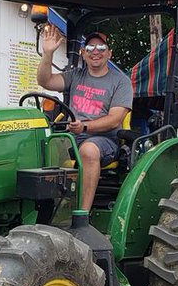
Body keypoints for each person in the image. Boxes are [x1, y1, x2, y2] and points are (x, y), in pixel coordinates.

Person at [36, 25, 132, 212]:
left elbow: (114, 119)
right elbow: (45, 81)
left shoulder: (121, 82)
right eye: (90, 48)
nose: (95, 52)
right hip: (71, 137)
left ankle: (81, 216)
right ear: (83, 53)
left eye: (101, 48)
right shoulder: (75, 76)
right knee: (37, 147)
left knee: (88, 150)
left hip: (104, 140)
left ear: (109, 53)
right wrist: (48, 54)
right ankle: (42, 211)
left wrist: (85, 127)